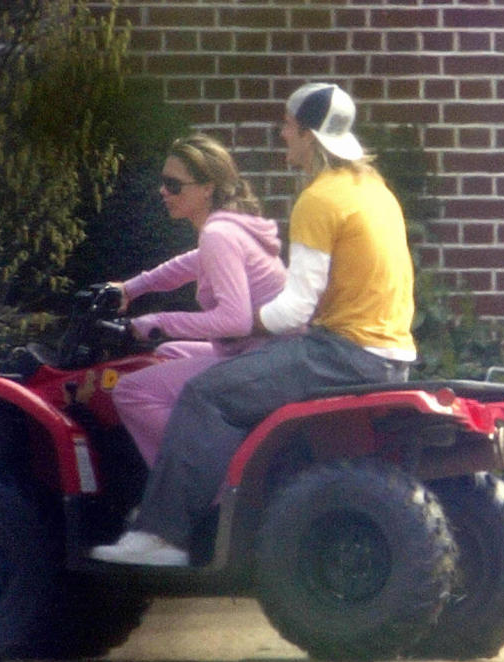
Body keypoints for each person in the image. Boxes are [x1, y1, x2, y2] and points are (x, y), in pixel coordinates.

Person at [90, 82, 417, 567]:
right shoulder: (374, 189)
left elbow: (294, 310)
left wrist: (230, 327)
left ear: (307, 134)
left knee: (205, 392)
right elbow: (197, 261)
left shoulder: (320, 199)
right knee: (185, 365)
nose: (282, 134)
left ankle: (165, 535)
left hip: (340, 353)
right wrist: (136, 290)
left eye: (287, 126)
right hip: (389, 353)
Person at [110, 134, 286, 468]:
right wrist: (129, 289)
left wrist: (158, 322)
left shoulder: (220, 234)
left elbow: (235, 321)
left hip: (259, 359)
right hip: (263, 353)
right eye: (163, 183)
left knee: (132, 391)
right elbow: (187, 265)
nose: (163, 192)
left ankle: (210, 472)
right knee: (164, 354)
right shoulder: (228, 228)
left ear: (207, 188)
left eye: (174, 185)